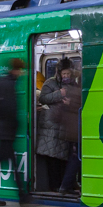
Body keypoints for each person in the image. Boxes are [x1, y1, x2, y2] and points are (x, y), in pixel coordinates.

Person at [0, 58, 30, 207]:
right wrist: (16, 124)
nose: (22, 73)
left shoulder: (4, 83)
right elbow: (10, 109)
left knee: (2, 165)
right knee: (10, 166)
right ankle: (21, 197)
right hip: (6, 132)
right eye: (21, 70)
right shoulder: (9, 85)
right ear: (16, 70)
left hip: (3, 130)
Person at [36, 59, 76, 190]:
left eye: (68, 74)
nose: (66, 76)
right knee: (53, 160)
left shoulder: (73, 85)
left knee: (63, 160)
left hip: (64, 127)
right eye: (64, 74)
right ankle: (54, 187)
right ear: (59, 73)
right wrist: (60, 94)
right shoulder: (50, 83)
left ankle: (62, 185)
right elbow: (43, 98)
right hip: (51, 129)